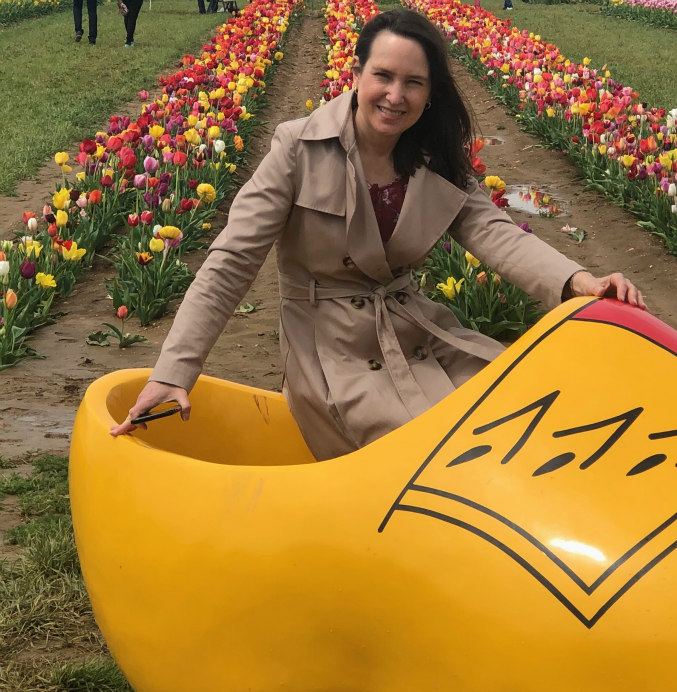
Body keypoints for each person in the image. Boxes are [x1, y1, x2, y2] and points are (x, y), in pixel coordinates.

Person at [110, 8, 645, 460]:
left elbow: (496, 233)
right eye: (383, 76)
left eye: (414, 83)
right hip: (329, 348)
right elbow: (231, 261)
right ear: (358, 74)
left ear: (430, 94)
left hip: (415, 330)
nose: (395, 95)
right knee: (424, 454)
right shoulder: (298, 149)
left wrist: (579, 282)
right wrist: (176, 370)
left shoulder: (433, 158)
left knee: (515, 413)